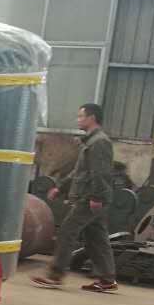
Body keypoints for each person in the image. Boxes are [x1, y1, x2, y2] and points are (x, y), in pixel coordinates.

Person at [33, 102, 117, 293]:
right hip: (89, 197)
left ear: (91, 118)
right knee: (96, 238)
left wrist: (96, 197)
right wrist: (60, 188)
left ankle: (55, 276)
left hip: (89, 198)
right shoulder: (90, 142)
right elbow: (80, 172)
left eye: (81, 116)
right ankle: (107, 279)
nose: (77, 120)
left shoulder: (99, 142)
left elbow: (101, 173)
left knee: (66, 232)